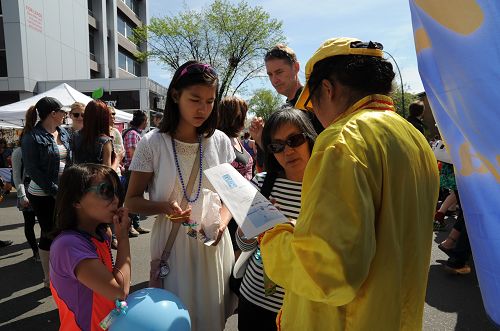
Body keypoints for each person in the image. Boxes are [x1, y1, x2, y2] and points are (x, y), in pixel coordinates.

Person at [259, 37, 440, 330]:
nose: (314, 113)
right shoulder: (414, 137)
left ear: (327, 90)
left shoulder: (341, 140)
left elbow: (329, 273)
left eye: (312, 101)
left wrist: (273, 237)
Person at [125, 60, 236, 331]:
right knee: (174, 319)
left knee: (212, 318)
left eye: (210, 101)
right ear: (175, 96)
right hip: (173, 247)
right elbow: (131, 200)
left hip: (213, 242)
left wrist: (221, 223)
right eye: (195, 99)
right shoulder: (152, 143)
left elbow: (230, 196)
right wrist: (164, 207)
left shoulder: (220, 141)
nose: (203, 109)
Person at [236, 108, 317, 331]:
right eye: (277, 146)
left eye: (295, 139)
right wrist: (257, 224)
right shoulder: (262, 183)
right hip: (255, 298)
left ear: (309, 138)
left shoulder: (327, 187)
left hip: (302, 305)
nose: (288, 151)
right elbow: (243, 244)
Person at [50, 164, 131, 331]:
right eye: (106, 191)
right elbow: (119, 292)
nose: (116, 199)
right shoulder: (69, 245)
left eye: (117, 191)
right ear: (76, 200)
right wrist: (123, 238)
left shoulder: (102, 233)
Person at [22, 96, 72, 288]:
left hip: (63, 192)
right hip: (42, 194)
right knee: (49, 232)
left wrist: (69, 187)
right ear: (53, 113)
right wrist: (55, 191)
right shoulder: (31, 137)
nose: (65, 115)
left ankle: (62, 271)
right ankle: (48, 277)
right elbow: (33, 170)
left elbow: (70, 161)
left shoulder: (64, 133)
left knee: (65, 230)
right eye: (63, 112)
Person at [11, 106, 40, 261]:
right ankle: (35, 252)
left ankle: (43, 250)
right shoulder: (18, 152)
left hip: (43, 187)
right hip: (27, 188)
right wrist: (22, 195)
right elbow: (17, 176)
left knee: (45, 223)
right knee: (29, 223)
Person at [73, 100, 122, 171]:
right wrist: (117, 159)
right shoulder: (105, 141)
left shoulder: (75, 136)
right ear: (104, 118)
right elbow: (106, 173)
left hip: (78, 179)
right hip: (96, 180)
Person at [122, 110, 150, 237]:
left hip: (135, 169)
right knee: (132, 199)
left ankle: (136, 225)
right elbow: (133, 154)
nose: (147, 123)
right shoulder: (133, 134)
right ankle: (130, 226)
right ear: (142, 121)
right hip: (132, 170)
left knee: (137, 197)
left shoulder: (135, 133)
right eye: (146, 120)